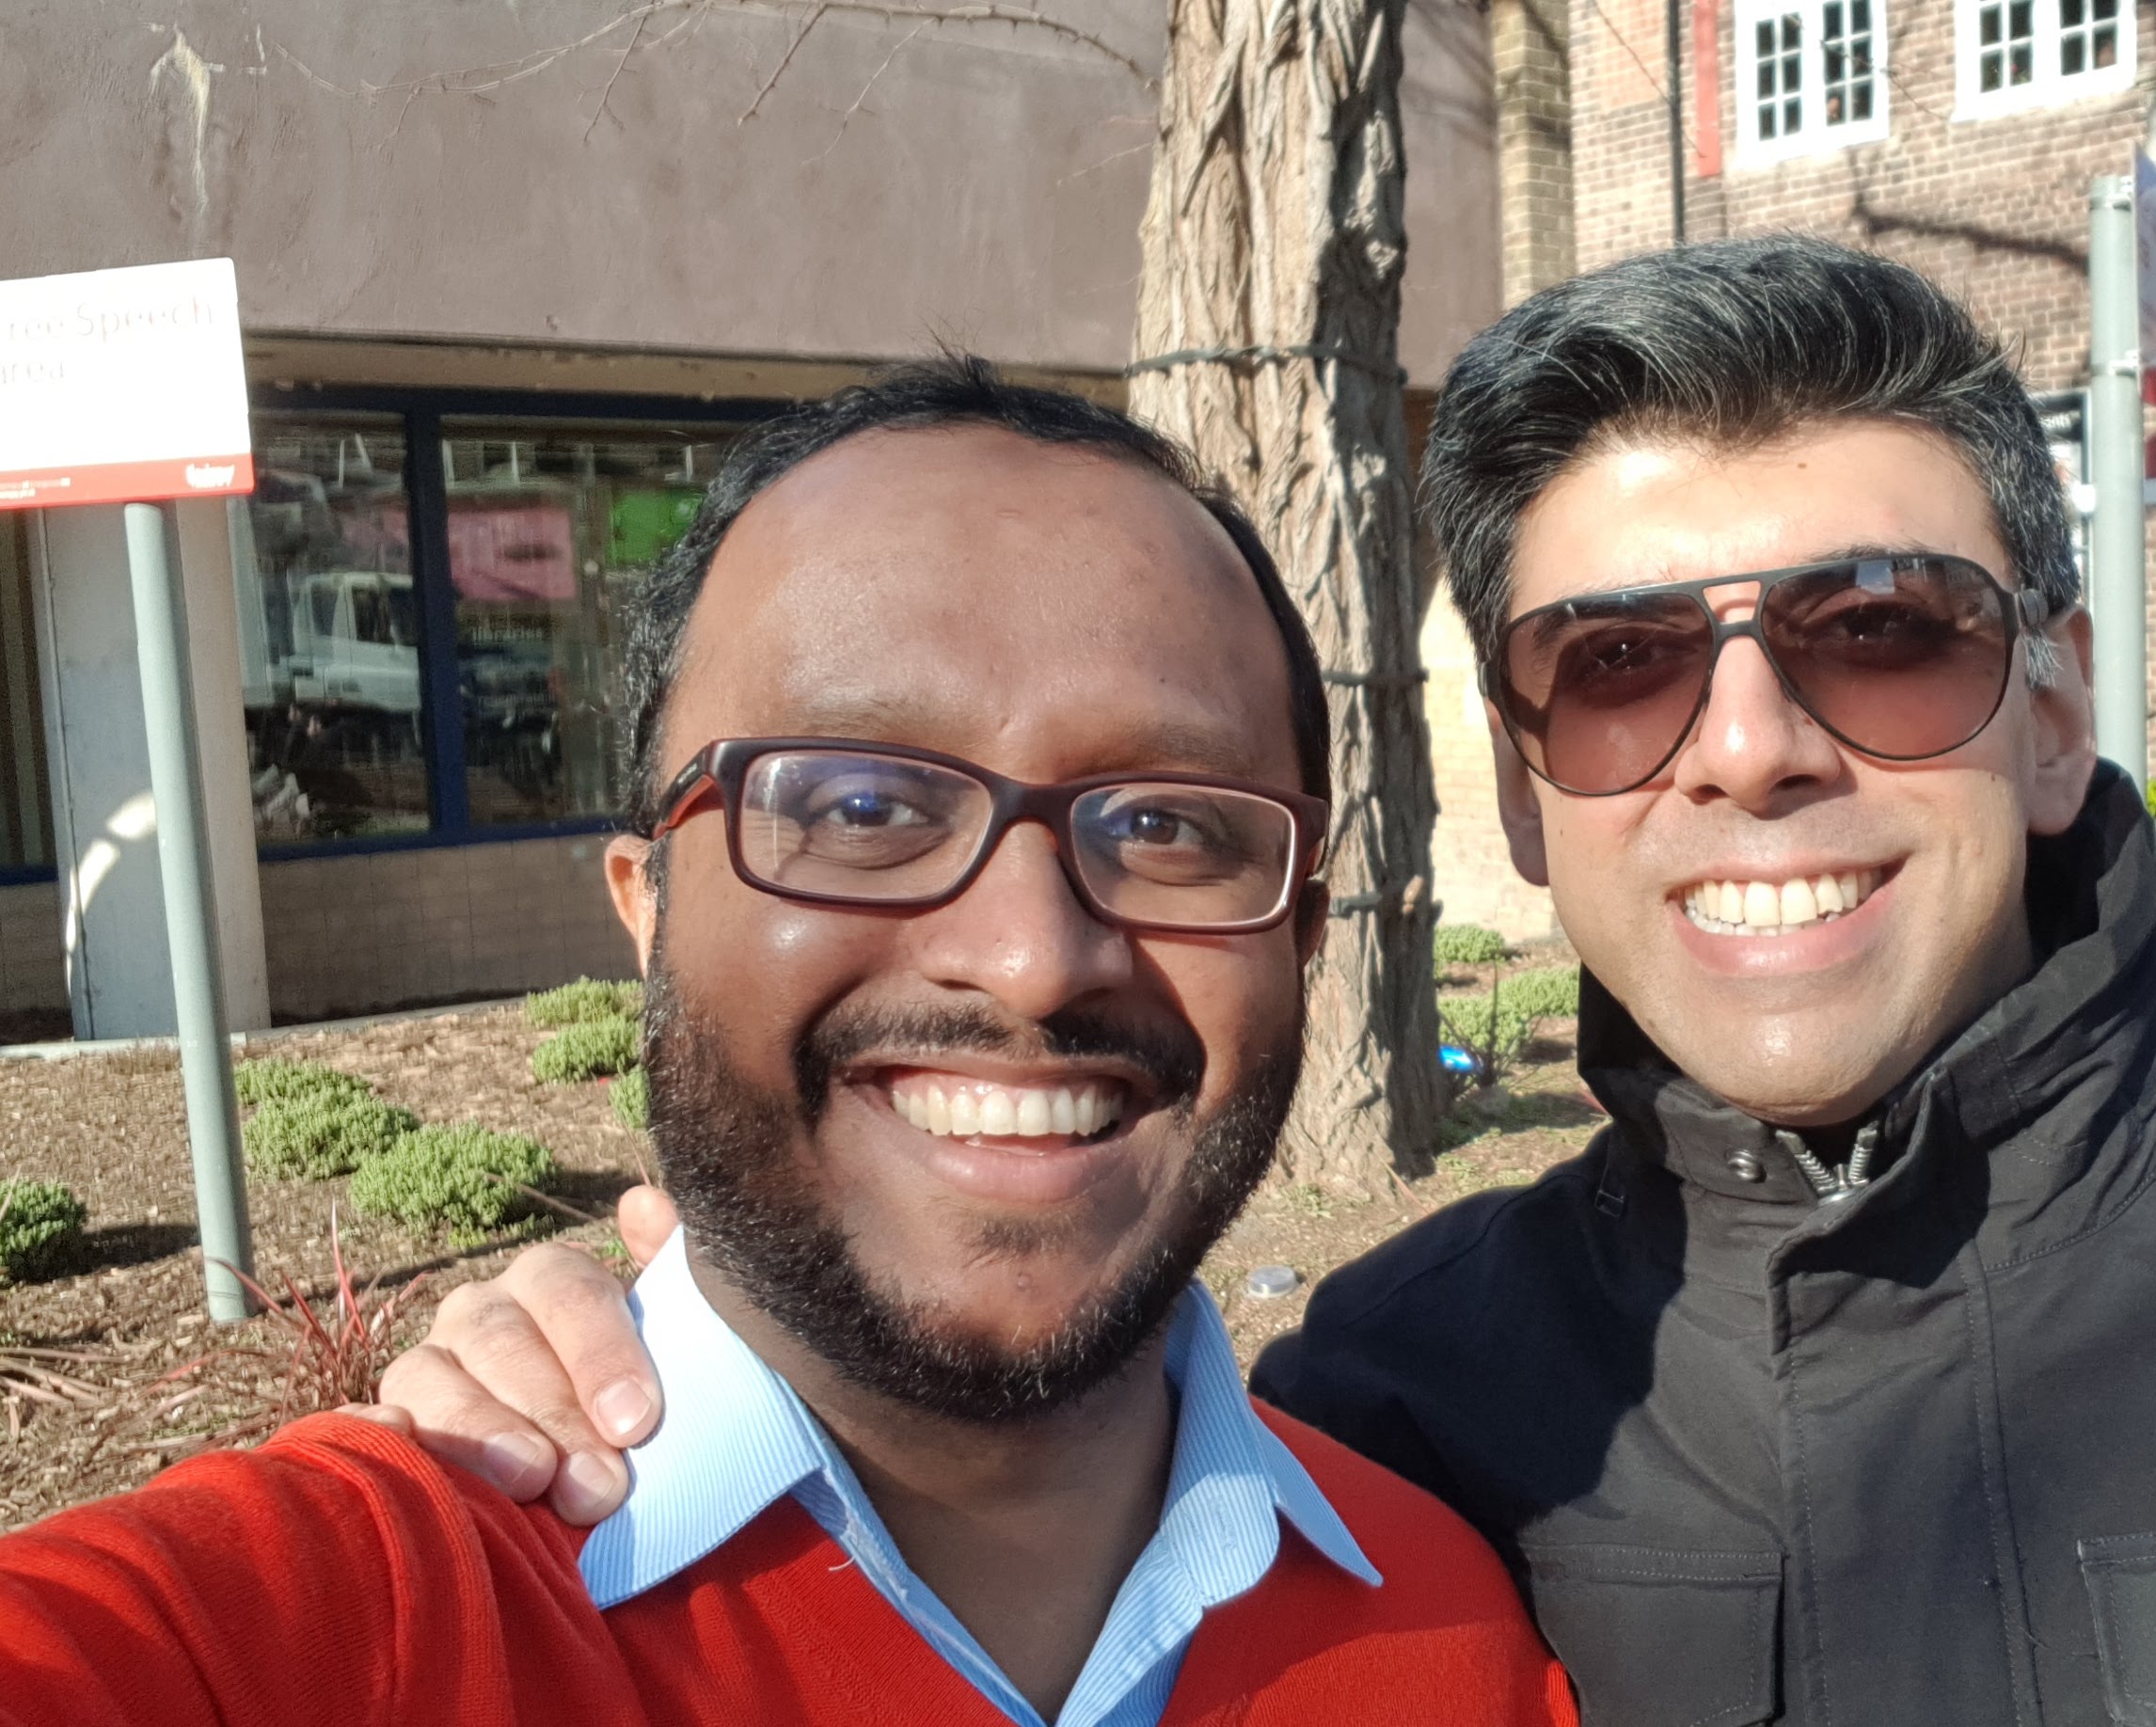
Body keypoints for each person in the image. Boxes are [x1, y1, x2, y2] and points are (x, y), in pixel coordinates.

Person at [373, 240, 2156, 1725]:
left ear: (2050, 710)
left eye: (1881, 632)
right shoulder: (1382, 1421)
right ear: (1527, 783)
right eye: (1619, 668)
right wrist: (631, 1358)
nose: (1753, 745)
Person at [0, 363, 1571, 1727]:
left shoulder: (1464, 1633)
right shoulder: (311, 1633)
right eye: (861, 805)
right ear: (647, 905)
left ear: (1301, 930)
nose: (1029, 957)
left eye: (1166, 825)